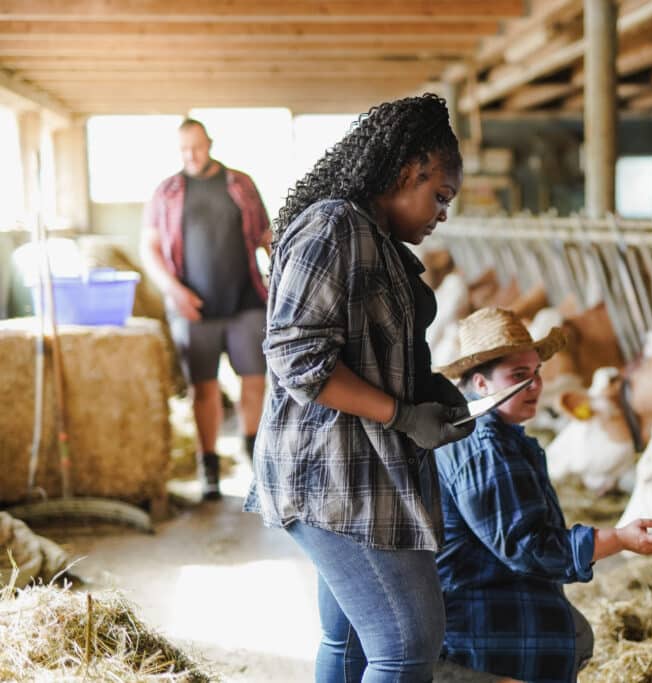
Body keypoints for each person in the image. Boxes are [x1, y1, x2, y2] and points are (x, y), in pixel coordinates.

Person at [245, 93, 475, 683]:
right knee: (408, 642)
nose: (443, 213)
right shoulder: (336, 225)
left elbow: (366, 349)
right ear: (408, 171)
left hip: (356, 470)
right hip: (331, 473)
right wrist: (401, 415)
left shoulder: (373, 236)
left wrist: (430, 390)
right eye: (440, 196)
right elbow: (296, 353)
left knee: (348, 641)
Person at [434, 307, 652, 683]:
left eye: (536, 374)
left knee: (575, 631)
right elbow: (528, 548)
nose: (534, 386)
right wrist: (620, 539)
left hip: (475, 597)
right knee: (565, 636)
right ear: (481, 384)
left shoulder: (482, 429)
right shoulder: (486, 446)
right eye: (518, 376)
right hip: (474, 620)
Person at [141, 118, 271, 501]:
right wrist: (174, 291)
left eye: (196, 147)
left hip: (246, 300)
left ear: (210, 143)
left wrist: (284, 266)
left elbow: (265, 234)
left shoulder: (240, 184)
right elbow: (148, 248)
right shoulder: (166, 192)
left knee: (254, 379)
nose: (191, 156)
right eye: (184, 149)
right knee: (204, 388)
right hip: (194, 306)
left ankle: (254, 457)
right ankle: (208, 466)